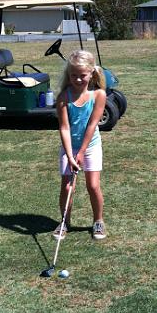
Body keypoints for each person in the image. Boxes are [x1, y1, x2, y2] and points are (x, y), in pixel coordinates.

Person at [54, 50, 107, 240]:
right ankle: (64, 222)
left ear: (91, 73)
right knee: (68, 188)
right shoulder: (63, 98)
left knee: (93, 186)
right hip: (69, 147)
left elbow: (92, 125)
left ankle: (98, 221)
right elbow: (65, 128)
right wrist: (70, 155)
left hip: (90, 146)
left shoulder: (99, 95)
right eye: (73, 75)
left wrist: (82, 151)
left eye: (82, 75)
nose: (77, 80)